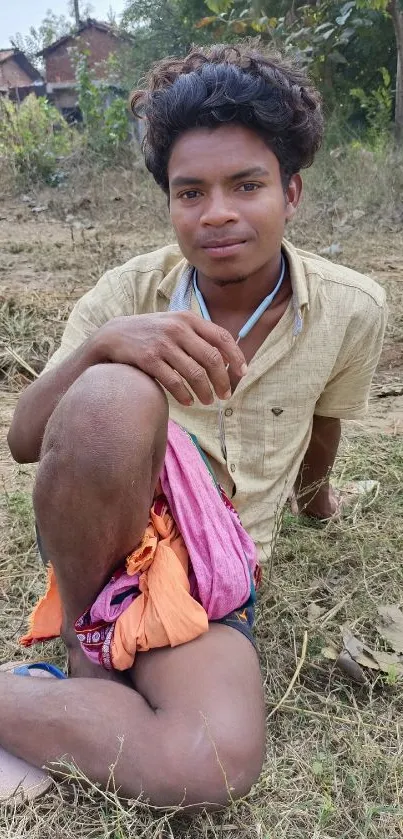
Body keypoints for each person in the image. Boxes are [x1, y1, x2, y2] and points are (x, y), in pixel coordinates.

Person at [3, 45, 386, 809]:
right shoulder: (129, 290)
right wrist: (106, 345)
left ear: (292, 190)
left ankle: (44, 702)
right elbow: (23, 441)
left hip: (212, 571)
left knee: (205, 766)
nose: (216, 213)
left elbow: (322, 426)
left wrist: (318, 503)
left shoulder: (351, 307)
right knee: (114, 392)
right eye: (190, 192)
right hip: (105, 537)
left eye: (246, 185)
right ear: (169, 202)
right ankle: (89, 651)